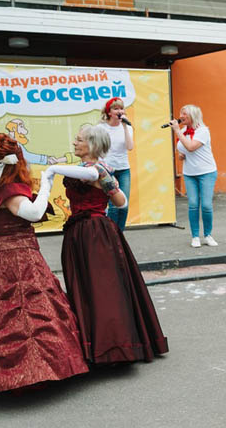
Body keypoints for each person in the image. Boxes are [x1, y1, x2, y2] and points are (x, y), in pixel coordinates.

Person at [0, 134, 87, 392]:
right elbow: (34, 214)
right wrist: (46, 184)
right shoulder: (11, 192)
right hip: (23, 260)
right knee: (34, 313)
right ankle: (35, 373)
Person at [44, 125, 168, 364]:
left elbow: (121, 203)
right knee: (85, 286)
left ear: (92, 144)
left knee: (103, 288)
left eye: (79, 140)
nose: (75, 143)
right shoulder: (83, 169)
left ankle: (114, 347)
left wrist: (107, 182)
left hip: (95, 234)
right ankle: (96, 344)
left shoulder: (98, 170)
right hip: (78, 234)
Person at [171, 104, 218, 248]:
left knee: (206, 205)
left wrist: (177, 131)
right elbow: (184, 149)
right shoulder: (184, 131)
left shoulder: (203, 131)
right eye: (181, 113)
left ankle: (208, 235)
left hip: (206, 172)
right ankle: (195, 236)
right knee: (192, 205)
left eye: (185, 114)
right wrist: (181, 155)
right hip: (190, 173)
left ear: (193, 116)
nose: (181, 116)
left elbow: (191, 146)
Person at [100, 97, 134, 232]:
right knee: (113, 206)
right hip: (108, 170)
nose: (119, 111)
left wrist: (125, 127)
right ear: (109, 112)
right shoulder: (101, 127)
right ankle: (111, 235)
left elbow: (130, 147)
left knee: (123, 204)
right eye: (116, 108)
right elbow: (97, 149)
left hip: (124, 169)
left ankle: (120, 235)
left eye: (121, 108)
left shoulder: (127, 126)